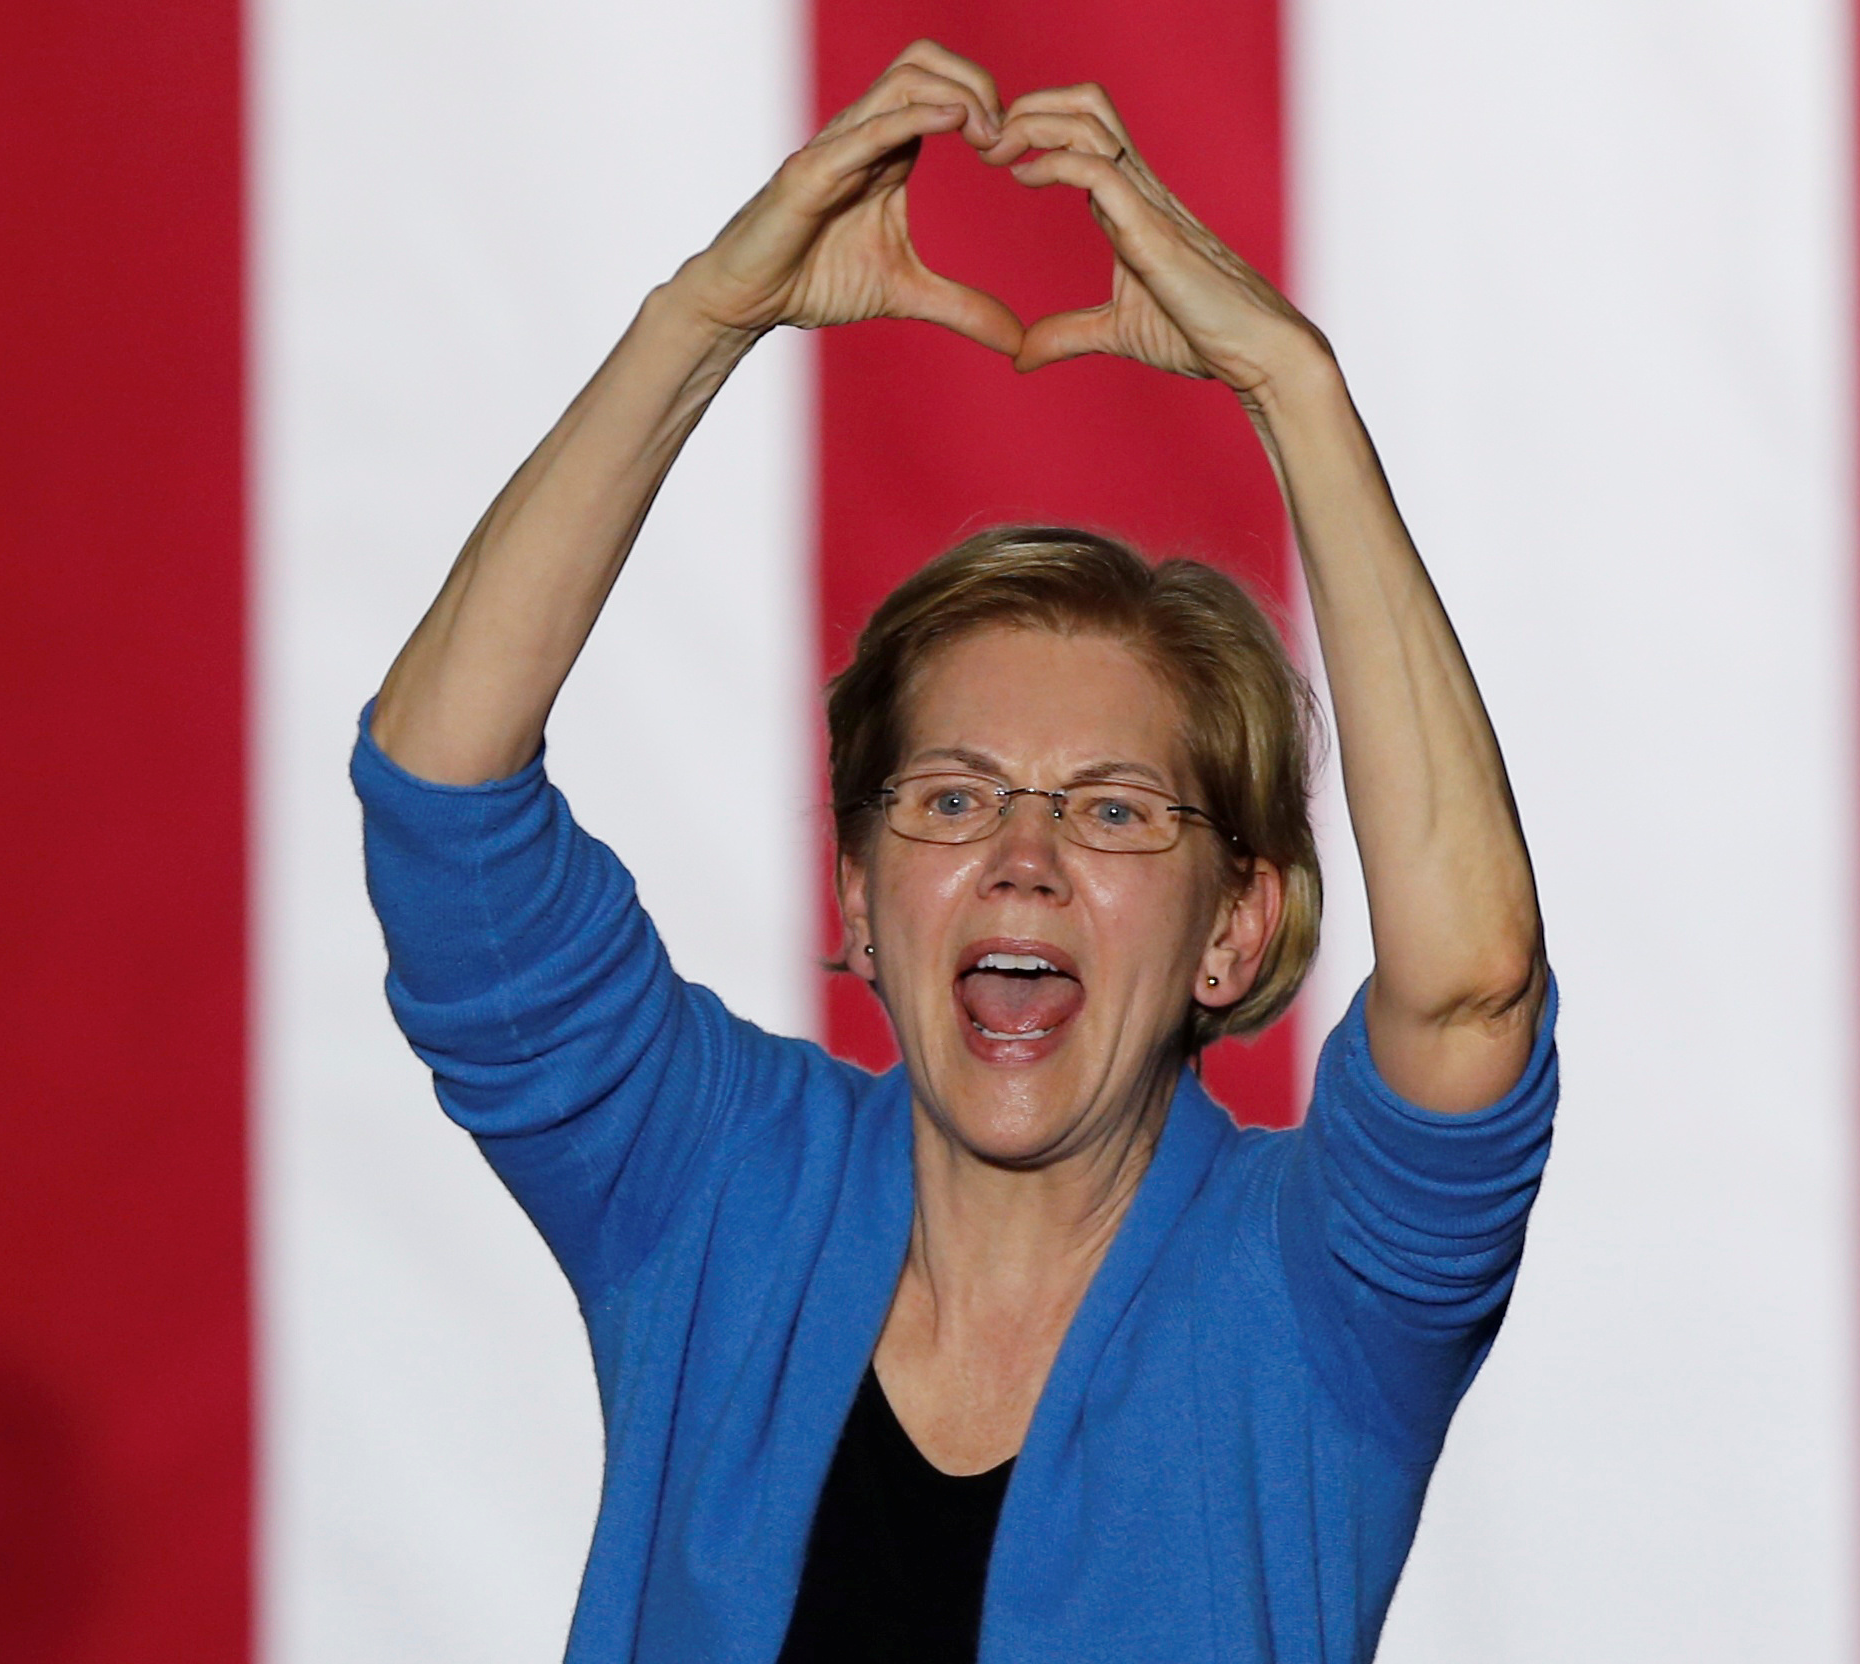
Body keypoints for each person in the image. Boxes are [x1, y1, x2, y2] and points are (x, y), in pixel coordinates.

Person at [357, 39, 1555, 1664]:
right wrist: (698, 326)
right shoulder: (718, 1190)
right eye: (951, 797)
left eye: (1117, 810)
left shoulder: (1312, 1296)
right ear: (854, 895)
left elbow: (1470, 996)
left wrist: (1297, 392)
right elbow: (442, 791)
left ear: (1235, 929)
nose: (1022, 857)